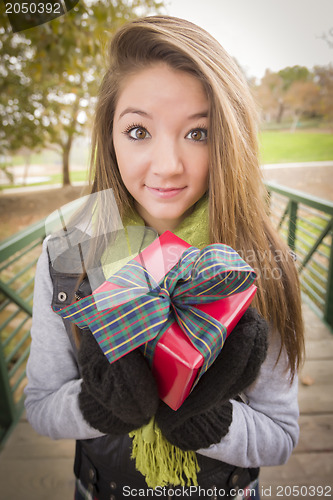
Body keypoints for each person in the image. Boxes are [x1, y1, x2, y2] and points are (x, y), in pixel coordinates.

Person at [24, 15, 304, 500]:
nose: (168, 165)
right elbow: (42, 404)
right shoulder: (71, 252)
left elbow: (280, 436)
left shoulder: (261, 261)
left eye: (198, 133)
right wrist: (101, 405)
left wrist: (207, 420)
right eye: (138, 131)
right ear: (109, 136)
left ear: (228, 140)